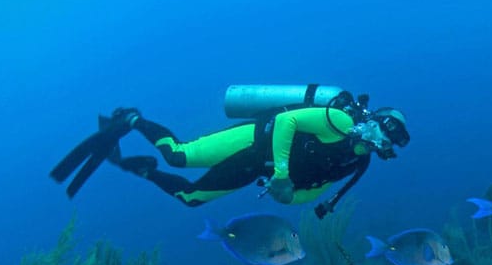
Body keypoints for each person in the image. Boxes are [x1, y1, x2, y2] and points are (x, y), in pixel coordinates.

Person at [50, 85, 410, 218]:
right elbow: (286, 124)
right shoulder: (338, 119)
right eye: (384, 127)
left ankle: (143, 169)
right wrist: (283, 174)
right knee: (179, 156)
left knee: (190, 199)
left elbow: (321, 190)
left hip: (259, 169)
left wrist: (287, 196)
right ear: (373, 118)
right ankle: (132, 119)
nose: (384, 139)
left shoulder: (358, 161)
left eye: (392, 139)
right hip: (253, 140)